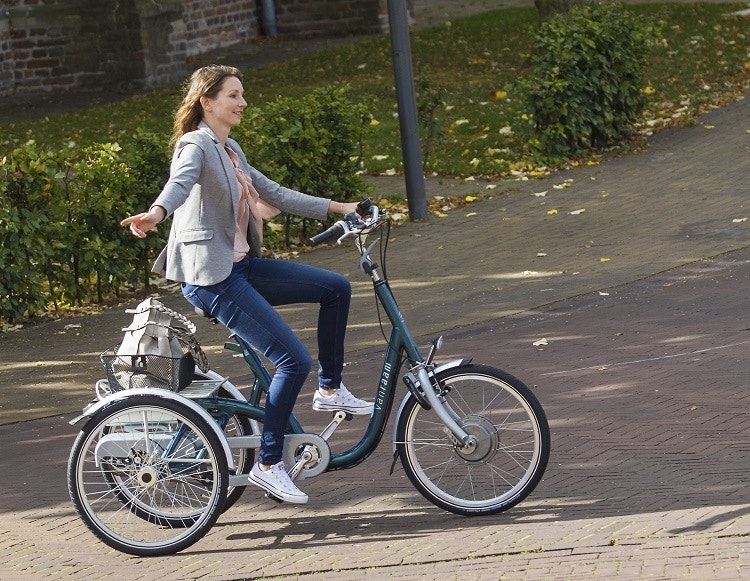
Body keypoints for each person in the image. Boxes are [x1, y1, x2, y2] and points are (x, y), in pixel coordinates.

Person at [120, 64, 373, 505]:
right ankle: (269, 464)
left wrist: (343, 206)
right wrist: (154, 215)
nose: (242, 102)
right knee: (292, 360)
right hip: (210, 277)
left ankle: (331, 389)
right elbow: (178, 187)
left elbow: (275, 193)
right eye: (233, 95)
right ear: (207, 101)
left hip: (239, 267)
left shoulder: (230, 148)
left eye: (242, 95)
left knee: (335, 287)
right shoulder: (195, 145)